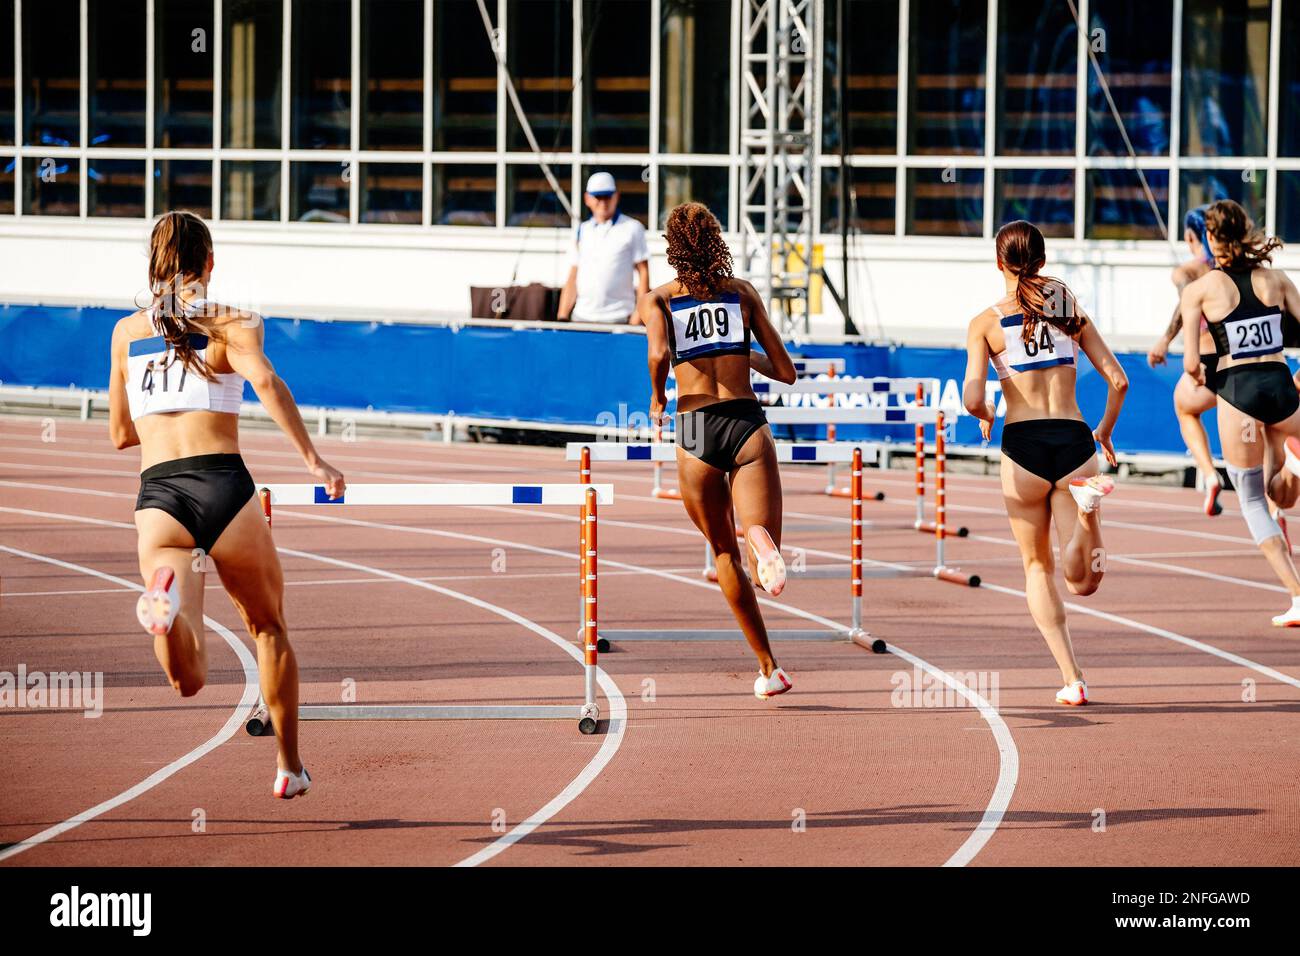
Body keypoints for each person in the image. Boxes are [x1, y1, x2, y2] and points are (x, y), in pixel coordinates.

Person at [108, 210, 346, 797]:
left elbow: (119, 434)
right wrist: (315, 461)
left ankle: (163, 616)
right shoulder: (235, 324)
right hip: (224, 488)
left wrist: (164, 406)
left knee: (189, 676)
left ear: (153, 264)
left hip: (160, 498)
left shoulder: (125, 334)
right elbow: (265, 382)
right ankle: (289, 768)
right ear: (210, 263)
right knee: (268, 627)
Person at [963, 220, 1129, 706]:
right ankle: (1086, 514)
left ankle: (1072, 678)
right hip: (1076, 443)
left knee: (1037, 566)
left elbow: (973, 394)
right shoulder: (1066, 308)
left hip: (1024, 448)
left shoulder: (985, 322)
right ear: (1042, 258)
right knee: (1085, 582)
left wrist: (986, 412)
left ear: (999, 263)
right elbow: (1118, 380)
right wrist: (1104, 431)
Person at [640, 202, 797, 699]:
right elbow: (786, 370)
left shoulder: (658, 300)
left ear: (672, 249)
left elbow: (659, 353)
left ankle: (769, 667)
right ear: (715, 242)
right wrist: (739, 352)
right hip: (746, 424)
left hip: (695, 429)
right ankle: (763, 541)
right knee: (755, 536)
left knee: (723, 552)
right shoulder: (743, 294)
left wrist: (658, 394)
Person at [1180, 199, 1300, 625]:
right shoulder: (1277, 278)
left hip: (1238, 396)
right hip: (1282, 388)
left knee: (1250, 500)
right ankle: (1291, 467)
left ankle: (1297, 594)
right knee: (1278, 483)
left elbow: (1192, 365)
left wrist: (1200, 378)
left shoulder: (1200, 289)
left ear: (1211, 239)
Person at [1147, 206, 1224, 515]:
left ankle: (1209, 473)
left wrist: (1166, 340)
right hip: (1241, 359)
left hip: (1206, 361)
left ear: (1190, 235)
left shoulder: (1188, 272)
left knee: (1183, 406)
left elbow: (1186, 305)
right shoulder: (1230, 266)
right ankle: (1274, 508)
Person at [558, 172, 650, 325]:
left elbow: (644, 273)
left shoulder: (633, 228)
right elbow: (573, 276)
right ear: (587, 199)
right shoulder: (581, 230)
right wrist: (562, 316)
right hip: (581, 318)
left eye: (607, 196)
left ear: (616, 196)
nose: (603, 202)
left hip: (619, 318)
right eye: (598, 196)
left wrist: (638, 315)